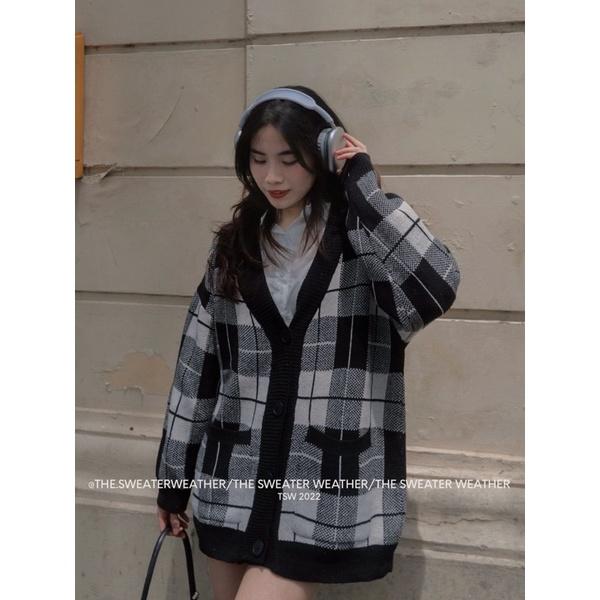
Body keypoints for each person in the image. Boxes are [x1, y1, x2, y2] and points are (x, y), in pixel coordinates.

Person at [155, 86, 461, 600]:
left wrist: (364, 189)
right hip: (231, 483)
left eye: (289, 159)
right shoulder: (234, 246)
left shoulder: (362, 242)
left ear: (322, 152)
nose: (272, 177)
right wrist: (172, 481)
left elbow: (436, 286)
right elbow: (197, 367)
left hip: (318, 492)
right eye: (258, 160)